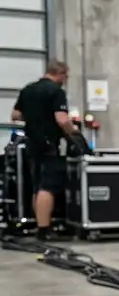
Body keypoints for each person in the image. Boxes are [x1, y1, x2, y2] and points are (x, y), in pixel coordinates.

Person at [10, 60, 77, 241]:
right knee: (48, 186)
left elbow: (15, 116)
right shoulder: (56, 91)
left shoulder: (27, 89)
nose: (65, 79)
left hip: (32, 143)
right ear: (60, 73)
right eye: (66, 76)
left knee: (37, 186)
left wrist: (33, 118)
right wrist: (73, 133)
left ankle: (40, 224)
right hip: (49, 144)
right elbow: (62, 120)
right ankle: (44, 229)